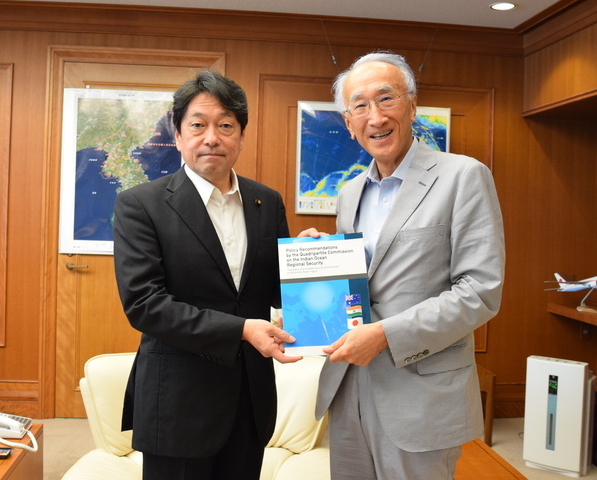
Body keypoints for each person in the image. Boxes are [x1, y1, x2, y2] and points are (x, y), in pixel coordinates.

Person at [300, 51, 505, 479]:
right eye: (360, 106)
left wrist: (385, 336)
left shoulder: (464, 176)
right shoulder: (350, 192)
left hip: (420, 396)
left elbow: (480, 292)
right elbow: (364, 285)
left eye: (386, 99)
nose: (375, 116)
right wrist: (321, 257)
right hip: (349, 389)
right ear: (349, 123)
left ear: (412, 106)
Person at [113, 69, 301, 480]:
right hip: (178, 402)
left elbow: (279, 290)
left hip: (249, 401)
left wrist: (311, 257)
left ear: (241, 136)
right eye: (197, 125)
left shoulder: (266, 202)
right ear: (178, 136)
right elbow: (145, 305)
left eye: (226, 126)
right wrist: (242, 329)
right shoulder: (140, 205)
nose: (212, 137)